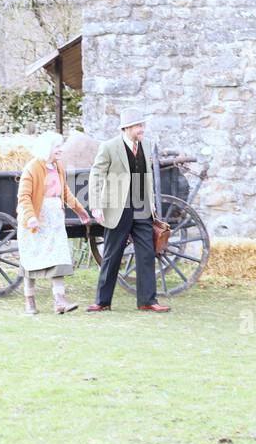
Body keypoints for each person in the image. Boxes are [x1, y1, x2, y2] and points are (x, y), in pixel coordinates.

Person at [86, 106, 169, 313]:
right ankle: (102, 301)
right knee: (112, 255)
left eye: (142, 125)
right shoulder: (109, 147)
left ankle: (147, 301)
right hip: (118, 208)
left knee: (147, 254)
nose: (142, 129)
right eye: (139, 125)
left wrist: (152, 203)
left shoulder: (147, 145)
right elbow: (96, 175)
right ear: (127, 128)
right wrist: (96, 204)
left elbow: (147, 174)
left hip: (142, 208)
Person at [16, 132, 90, 315]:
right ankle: (30, 301)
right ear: (47, 148)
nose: (61, 150)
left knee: (59, 257)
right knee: (31, 259)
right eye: (57, 146)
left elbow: (64, 192)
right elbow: (24, 196)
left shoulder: (57, 166)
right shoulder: (32, 167)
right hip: (36, 218)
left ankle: (60, 301)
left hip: (55, 219)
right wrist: (31, 217)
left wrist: (79, 210)